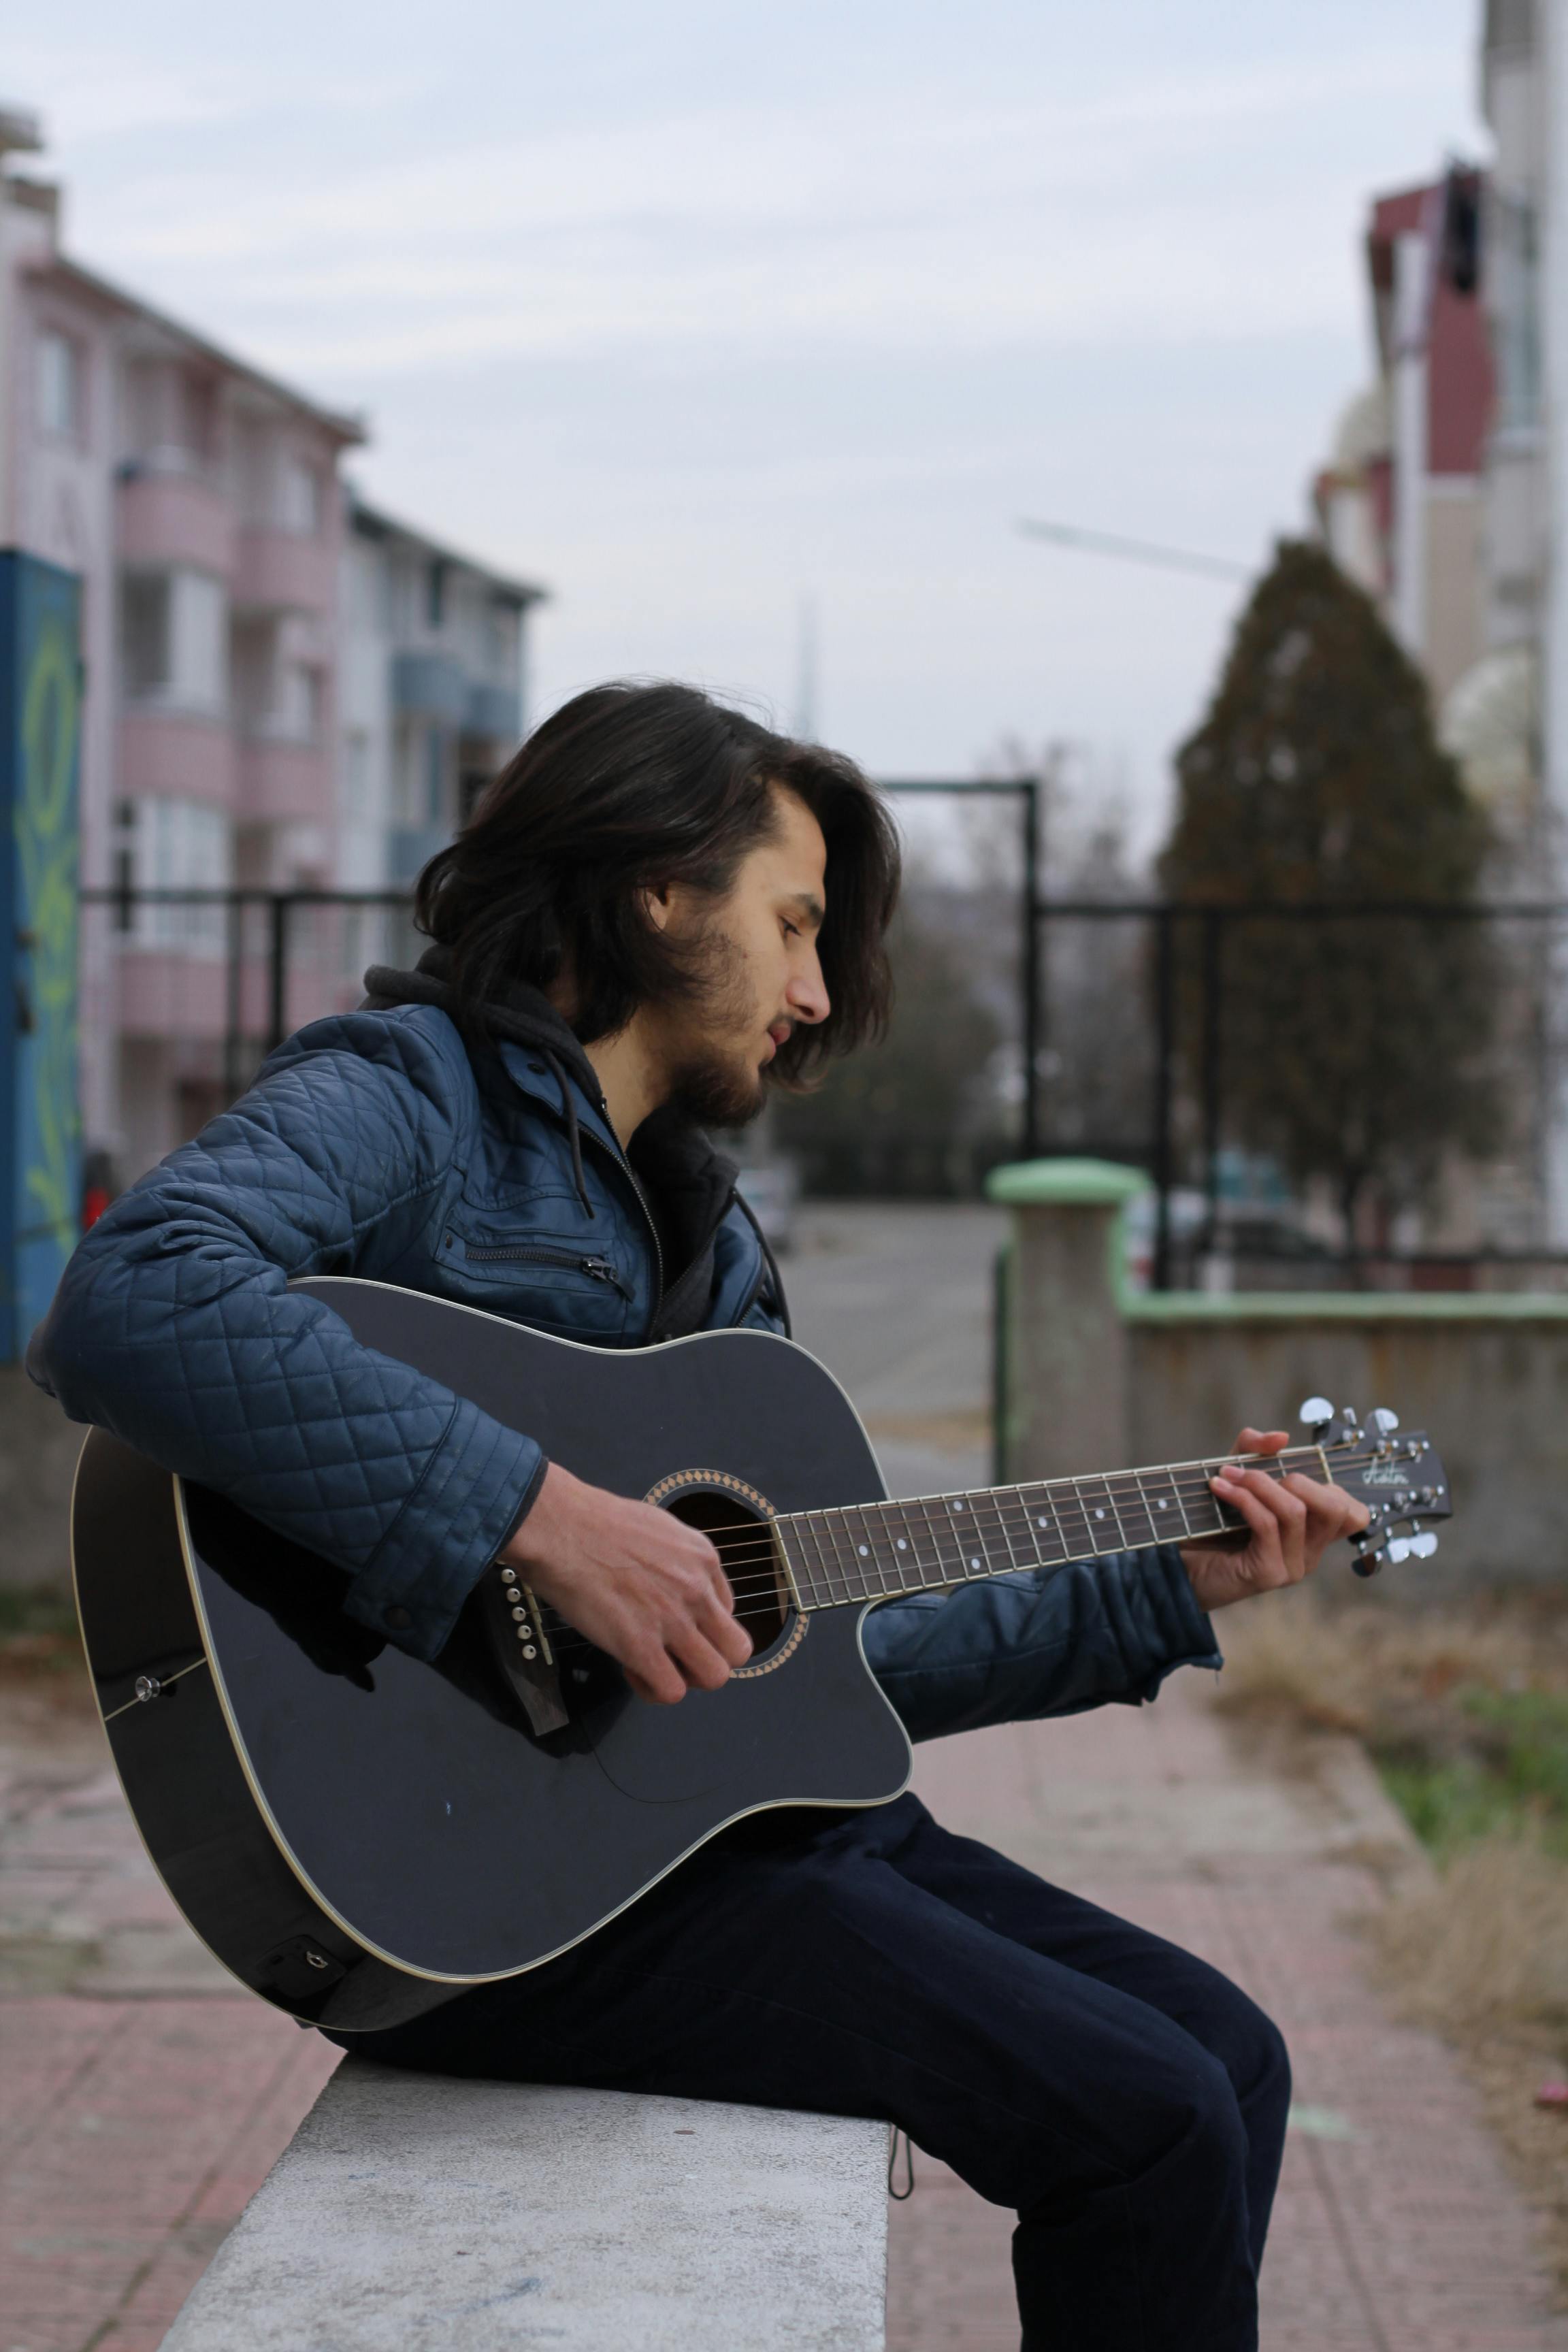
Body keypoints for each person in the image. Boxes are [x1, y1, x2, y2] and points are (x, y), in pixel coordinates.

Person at [30, 681, 1367, 2351]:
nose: (815, 994)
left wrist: (1160, 1592)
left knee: (1231, 2056)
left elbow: (818, 1666)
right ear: (656, 885)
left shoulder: (712, 1245)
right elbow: (132, 1297)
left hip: (724, 1841)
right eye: (795, 924)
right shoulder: (412, 1094)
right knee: (1147, 2116)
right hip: (504, 1881)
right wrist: (534, 1514)